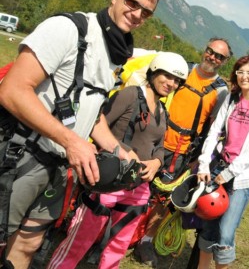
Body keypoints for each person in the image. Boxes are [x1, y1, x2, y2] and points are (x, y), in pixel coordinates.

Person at [0, 0, 161, 269]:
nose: (137, 14)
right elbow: (12, 90)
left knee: (29, 244)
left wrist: (120, 150)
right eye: (131, 2)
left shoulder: (117, 55)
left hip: (60, 166)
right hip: (20, 156)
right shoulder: (68, 29)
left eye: (146, 12)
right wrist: (72, 141)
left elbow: (93, 112)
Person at [47, 52, 188, 269]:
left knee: (119, 245)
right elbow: (97, 124)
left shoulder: (162, 111)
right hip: (109, 180)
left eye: (177, 81)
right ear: (153, 72)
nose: (171, 83)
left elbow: (160, 146)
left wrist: (157, 163)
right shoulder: (130, 95)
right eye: (167, 76)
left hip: (139, 188)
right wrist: (121, 151)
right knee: (81, 238)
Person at [133, 38, 232, 267]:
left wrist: (199, 159)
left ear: (224, 61)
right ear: (204, 50)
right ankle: (115, 233)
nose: (212, 58)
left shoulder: (220, 92)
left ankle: (145, 241)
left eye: (219, 56)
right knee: (133, 185)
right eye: (210, 52)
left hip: (182, 152)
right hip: (154, 138)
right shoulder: (181, 70)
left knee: (162, 198)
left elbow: (214, 129)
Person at [196, 55, 249, 269]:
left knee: (225, 234)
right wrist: (204, 164)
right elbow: (214, 132)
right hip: (219, 170)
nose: (245, 77)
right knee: (209, 228)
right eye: (241, 72)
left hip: (241, 178)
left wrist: (231, 172)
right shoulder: (231, 99)